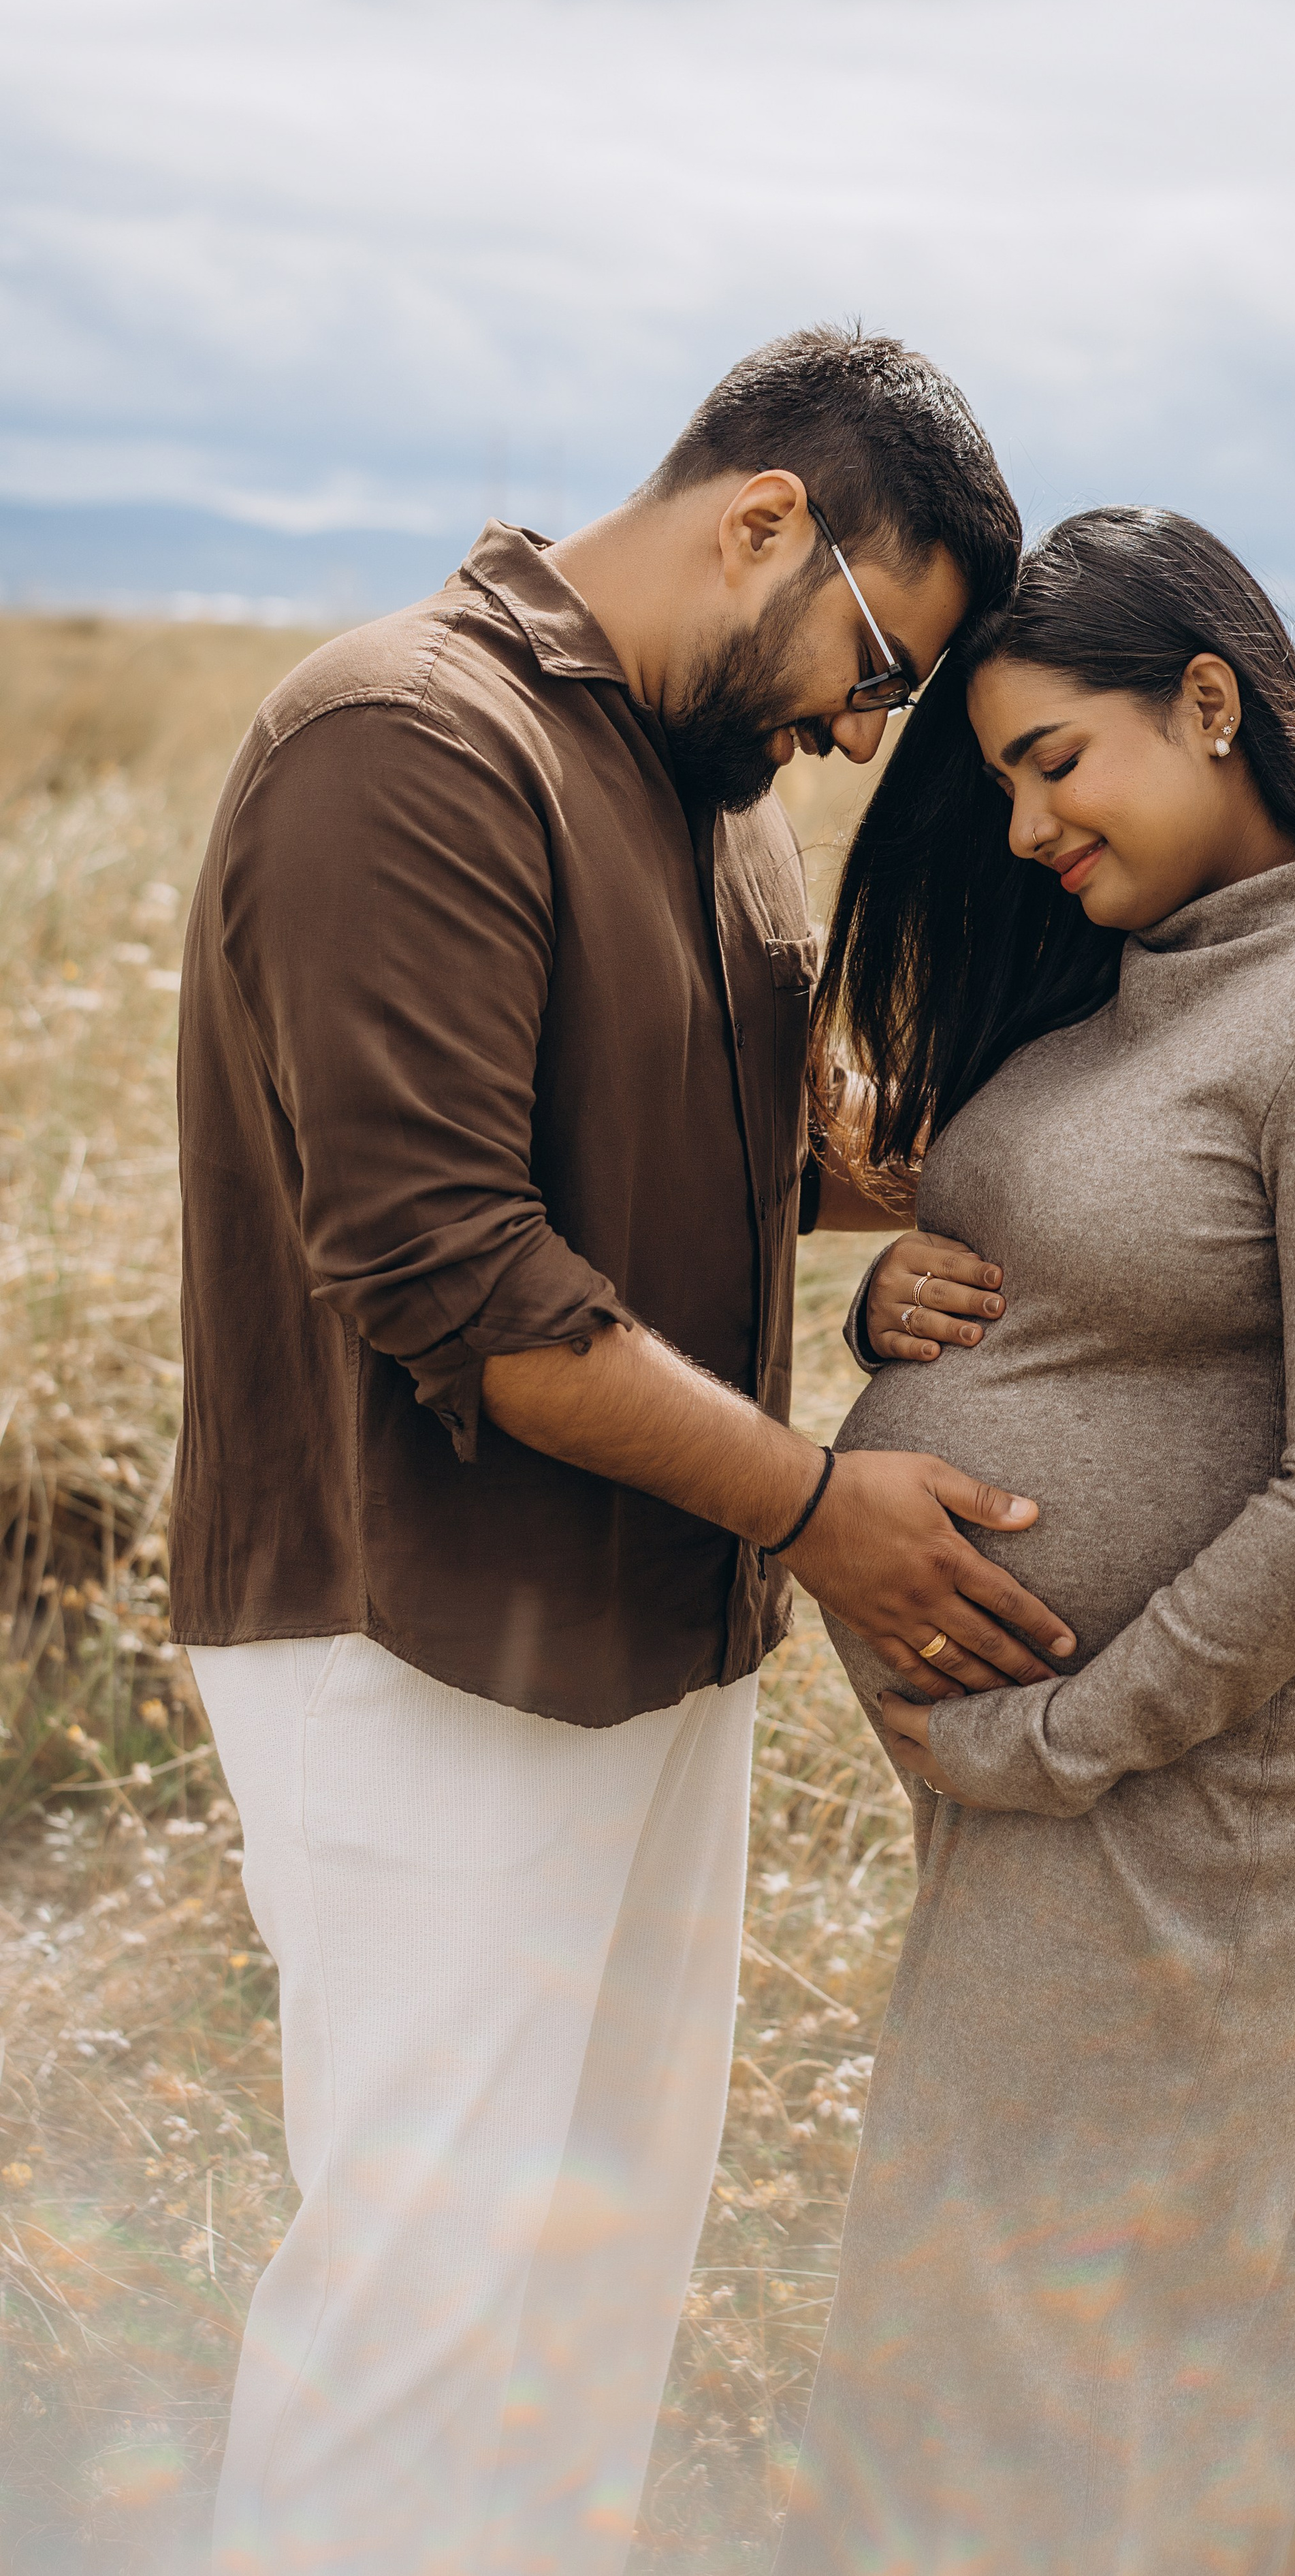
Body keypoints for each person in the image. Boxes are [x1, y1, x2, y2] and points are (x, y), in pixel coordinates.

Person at [169, 325, 1084, 2576]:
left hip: (658, 1635)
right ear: (762, 516)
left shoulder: (715, 794)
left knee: (587, 2305)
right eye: (878, 665)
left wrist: (996, 1160)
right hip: (420, 1640)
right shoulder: (406, 742)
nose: (863, 732)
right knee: (422, 2305)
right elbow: (454, 1267)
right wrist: (816, 1510)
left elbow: (712, 1134)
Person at [775, 506, 1295, 2576]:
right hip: (1099, 1756)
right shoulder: (1154, 973)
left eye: (1056, 764)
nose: (1026, 831)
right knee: (1262, 2231)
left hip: (1202, 1759)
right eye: (1001, 777)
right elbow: (1051, 1262)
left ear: (1211, 702)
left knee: (1041, 2276)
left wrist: (1070, 1734)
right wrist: (884, 1310)